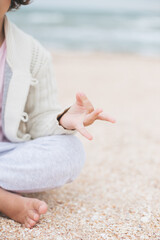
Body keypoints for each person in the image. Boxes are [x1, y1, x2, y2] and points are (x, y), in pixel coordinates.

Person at [0, 0, 115, 229]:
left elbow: (38, 119)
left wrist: (63, 119)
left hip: (6, 153)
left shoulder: (33, 53)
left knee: (70, 153)